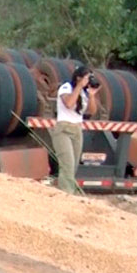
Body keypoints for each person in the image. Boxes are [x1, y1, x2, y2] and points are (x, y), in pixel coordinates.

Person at [51, 65, 98, 195]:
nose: (88, 81)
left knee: (74, 165)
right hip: (64, 129)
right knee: (67, 164)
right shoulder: (66, 88)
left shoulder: (84, 93)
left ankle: (69, 192)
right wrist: (78, 86)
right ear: (78, 78)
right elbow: (69, 103)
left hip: (77, 129)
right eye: (87, 78)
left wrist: (92, 95)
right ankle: (66, 193)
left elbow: (92, 111)